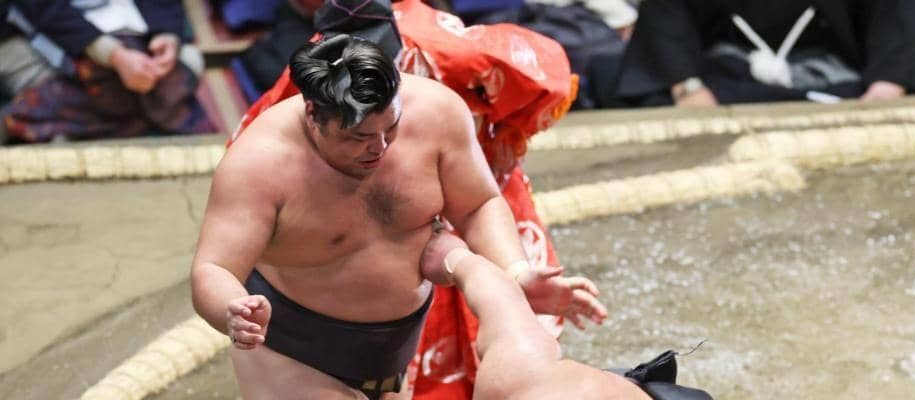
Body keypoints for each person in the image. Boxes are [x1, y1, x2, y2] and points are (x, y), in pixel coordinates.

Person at [191, 34, 606, 399]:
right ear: (314, 115)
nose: (380, 147)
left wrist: (517, 272)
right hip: (294, 349)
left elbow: (477, 204)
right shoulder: (259, 165)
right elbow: (214, 267)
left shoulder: (437, 112)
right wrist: (233, 309)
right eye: (358, 137)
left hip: (393, 351)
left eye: (390, 127)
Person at [419, 230, 714, 400]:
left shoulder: (518, 378)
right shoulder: (520, 376)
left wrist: (456, 258)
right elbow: (487, 285)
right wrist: (456, 259)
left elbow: (484, 281)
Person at [615, 0, 915, 108]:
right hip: (727, 80)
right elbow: (667, 16)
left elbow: (893, 15)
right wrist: (687, 86)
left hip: (838, 81)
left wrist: (887, 85)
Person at [0, 0, 211, 143]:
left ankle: (53, 123)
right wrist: (112, 54)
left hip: (129, 37)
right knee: (112, 83)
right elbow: (42, 8)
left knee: (188, 61)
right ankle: (22, 118)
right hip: (30, 39)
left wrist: (165, 36)